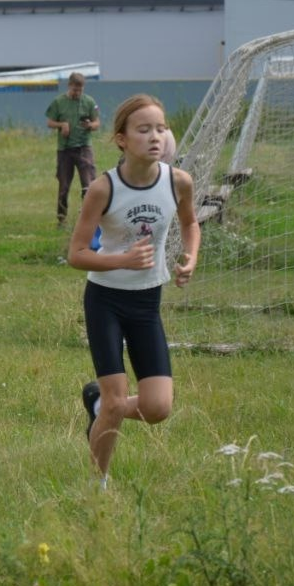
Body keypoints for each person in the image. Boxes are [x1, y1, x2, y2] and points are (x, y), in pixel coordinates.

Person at [67, 94, 200, 490]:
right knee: (115, 400)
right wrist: (121, 260)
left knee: (157, 408)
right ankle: (97, 486)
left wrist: (189, 257)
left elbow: (191, 224)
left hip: (147, 303)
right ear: (122, 139)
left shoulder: (178, 182)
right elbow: (75, 255)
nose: (155, 137)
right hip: (105, 301)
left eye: (161, 128)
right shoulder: (102, 189)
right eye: (144, 130)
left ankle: (98, 403)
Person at [45, 71, 100, 225]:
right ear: (69, 86)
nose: (77, 93)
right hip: (65, 149)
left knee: (88, 185)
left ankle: (89, 218)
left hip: (84, 147)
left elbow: (97, 123)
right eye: (75, 90)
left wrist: (90, 125)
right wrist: (61, 124)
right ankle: (61, 219)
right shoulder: (58, 102)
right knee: (64, 186)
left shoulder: (89, 102)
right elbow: (49, 122)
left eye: (80, 90)